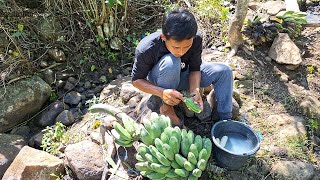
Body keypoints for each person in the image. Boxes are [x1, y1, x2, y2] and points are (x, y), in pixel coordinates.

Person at [131, 8, 233, 127]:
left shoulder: (196, 39)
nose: (181, 52)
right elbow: (136, 81)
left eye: (186, 47)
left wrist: (194, 91)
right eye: (176, 47)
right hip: (162, 79)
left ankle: (226, 120)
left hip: (185, 74)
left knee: (224, 71)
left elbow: (195, 69)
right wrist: (162, 92)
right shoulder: (147, 48)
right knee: (172, 61)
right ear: (164, 37)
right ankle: (167, 108)